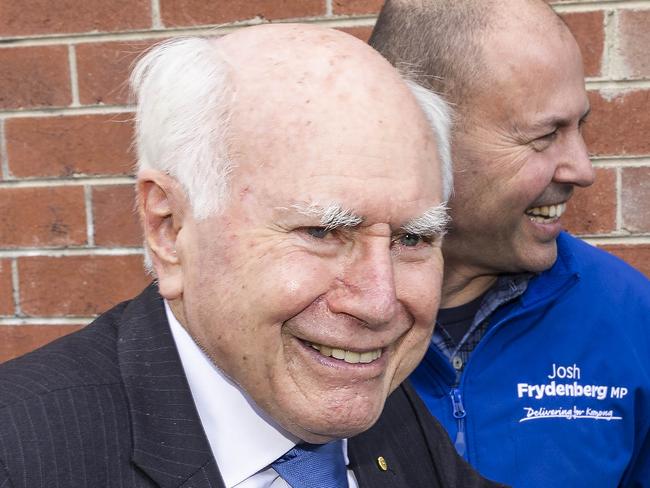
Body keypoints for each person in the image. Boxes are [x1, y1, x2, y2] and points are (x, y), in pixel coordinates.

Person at [0, 24, 503, 488]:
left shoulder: (373, 397)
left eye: (412, 239)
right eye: (323, 231)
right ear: (169, 229)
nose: (378, 303)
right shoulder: (24, 454)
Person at [370, 1, 650, 487]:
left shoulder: (628, 315)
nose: (583, 171)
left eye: (578, 127)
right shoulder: (316, 320)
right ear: (420, 127)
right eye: (545, 136)